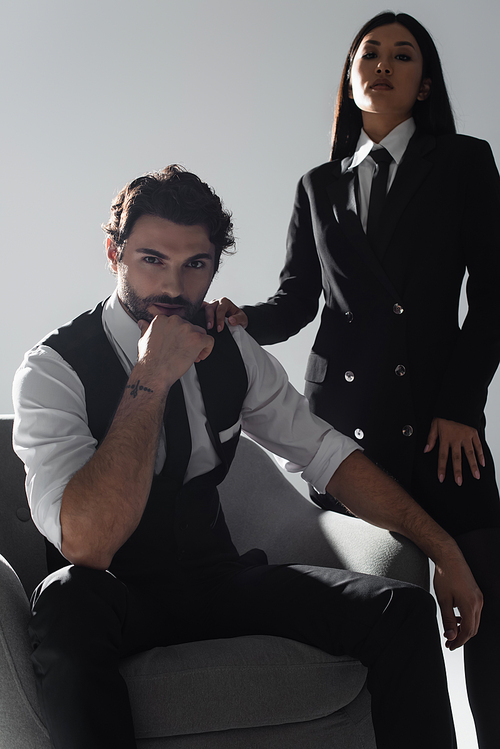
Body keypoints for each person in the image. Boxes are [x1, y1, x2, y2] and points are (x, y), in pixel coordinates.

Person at [12, 165, 482, 749]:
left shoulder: (231, 347)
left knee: (400, 611)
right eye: (152, 259)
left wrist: (442, 547)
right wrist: (152, 376)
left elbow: (326, 454)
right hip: (117, 595)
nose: (175, 289)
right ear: (114, 253)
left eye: (197, 265)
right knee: (65, 601)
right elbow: (88, 543)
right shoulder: (52, 369)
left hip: (217, 581)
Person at [207, 12, 500, 749]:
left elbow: (496, 292)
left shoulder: (464, 161)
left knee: (490, 603)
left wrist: (464, 404)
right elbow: (296, 301)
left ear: (425, 81)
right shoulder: (317, 185)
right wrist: (243, 316)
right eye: (368, 53)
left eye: (403, 55)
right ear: (348, 77)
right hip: (347, 428)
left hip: (444, 428)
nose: (383, 64)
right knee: (371, 611)